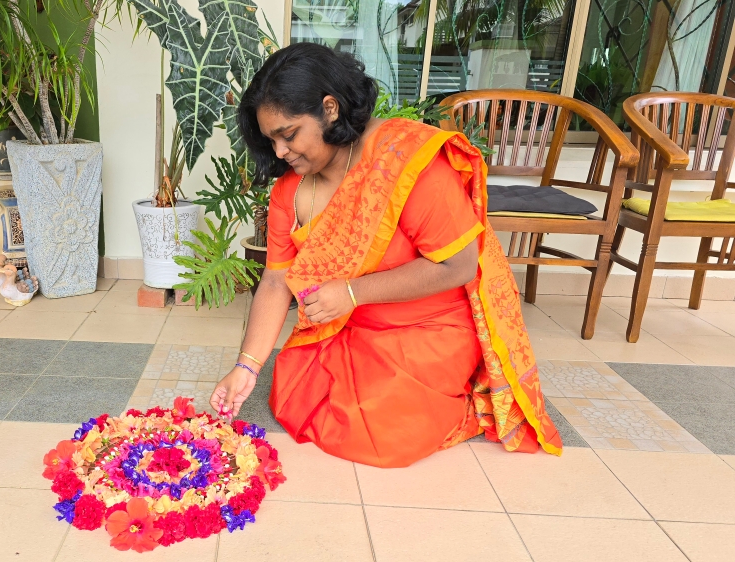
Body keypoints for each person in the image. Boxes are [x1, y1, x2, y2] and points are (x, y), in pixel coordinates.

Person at [209, 43, 563, 468]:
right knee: (292, 394)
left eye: (289, 134)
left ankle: (468, 398)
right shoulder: (291, 190)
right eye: (272, 140)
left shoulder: (404, 161)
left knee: (378, 434)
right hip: (348, 322)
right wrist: (246, 367)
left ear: (330, 108)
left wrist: (355, 293)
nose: (281, 152)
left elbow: (459, 265)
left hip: (429, 324)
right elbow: (274, 281)